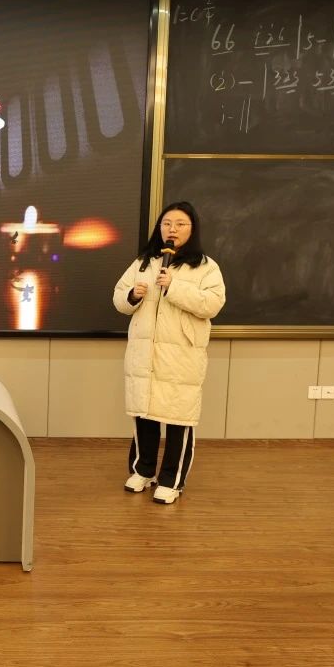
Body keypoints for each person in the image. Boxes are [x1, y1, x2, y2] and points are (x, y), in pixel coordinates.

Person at [112, 201, 226, 504]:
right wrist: (132, 295)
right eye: (167, 224)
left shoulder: (205, 267)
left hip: (181, 358)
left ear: (192, 229)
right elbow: (119, 298)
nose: (172, 229)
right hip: (144, 355)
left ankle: (171, 480)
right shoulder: (144, 262)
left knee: (178, 419)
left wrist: (174, 286)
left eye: (180, 224)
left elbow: (212, 304)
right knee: (144, 414)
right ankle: (143, 470)